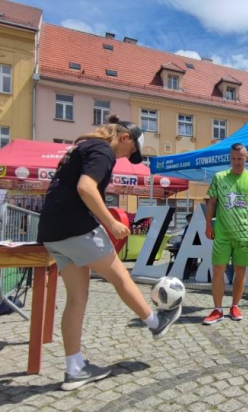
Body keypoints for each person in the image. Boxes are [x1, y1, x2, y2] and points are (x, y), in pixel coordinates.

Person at [37, 115, 181, 391]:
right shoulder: (103, 150)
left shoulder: (81, 147)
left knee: (76, 300)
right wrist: (111, 221)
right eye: (131, 151)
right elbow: (85, 187)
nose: (129, 156)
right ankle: (155, 322)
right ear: (124, 137)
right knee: (121, 277)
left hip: (52, 232)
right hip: (76, 227)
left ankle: (74, 368)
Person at [203, 143, 248, 325]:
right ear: (229, 159)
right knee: (217, 271)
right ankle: (217, 309)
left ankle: (235, 305)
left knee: (240, 271)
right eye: (233, 159)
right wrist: (208, 224)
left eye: (240, 158)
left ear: (247, 158)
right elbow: (212, 203)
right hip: (222, 233)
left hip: (243, 234)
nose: (237, 162)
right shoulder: (219, 177)